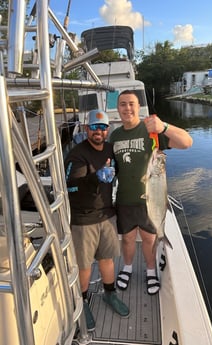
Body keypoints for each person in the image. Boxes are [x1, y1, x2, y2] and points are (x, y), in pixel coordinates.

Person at [109, 90, 193, 295]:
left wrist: (164, 126)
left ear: (138, 107)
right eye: (123, 104)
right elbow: (114, 166)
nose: (127, 108)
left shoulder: (151, 131)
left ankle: (150, 270)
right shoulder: (115, 135)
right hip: (124, 199)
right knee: (127, 239)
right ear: (117, 108)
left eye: (131, 104)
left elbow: (186, 142)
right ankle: (127, 268)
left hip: (150, 199)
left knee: (149, 239)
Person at [64, 109, 130, 332]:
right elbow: (70, 187)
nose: (99, 131)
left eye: (103, 127)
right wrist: (95, 177)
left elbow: (126, 169)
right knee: (84, 266)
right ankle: (82, 302)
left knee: (107, 259)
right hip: (83, 219)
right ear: (86, 129)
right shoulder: (76, 154)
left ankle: (110, 295)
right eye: (94, 127)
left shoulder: (111, 149)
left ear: (107, 130)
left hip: (107, 215)